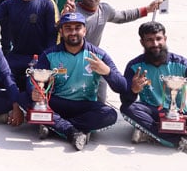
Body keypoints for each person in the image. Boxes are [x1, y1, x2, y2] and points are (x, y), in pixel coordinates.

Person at [29, 12, 128, 151]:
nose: (73, 32)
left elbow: (122, 86)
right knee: (26, 100)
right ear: (61, 32)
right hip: (57, 102)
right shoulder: (49, 54)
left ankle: (56, 126)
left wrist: (107, 71)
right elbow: (34, 80)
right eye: (68, 28)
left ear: (84, 31)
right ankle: (73, 131)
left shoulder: (99, 55)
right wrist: (35, 92)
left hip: (85, 106)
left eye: (77, 28)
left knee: (110, 115)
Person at [120, 21, 187, 154]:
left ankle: (152, 135)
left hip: (178, 116)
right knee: (128, 108)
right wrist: (133, 90)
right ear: (142, 42)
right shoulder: (134, 66)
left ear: (165, 39)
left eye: (158, 38)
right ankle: (181, 141)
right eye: (149, 40)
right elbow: (125, 100)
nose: (155, 44)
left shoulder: (181, 64)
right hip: (152, 115)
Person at [61, 0, 161, 102]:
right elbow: (56, 32)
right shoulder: (72, 11)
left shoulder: (105, 10)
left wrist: (147, 9)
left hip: (92, 58)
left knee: (102, 95)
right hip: (68, 58)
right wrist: (63, 17)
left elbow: (123, 16)